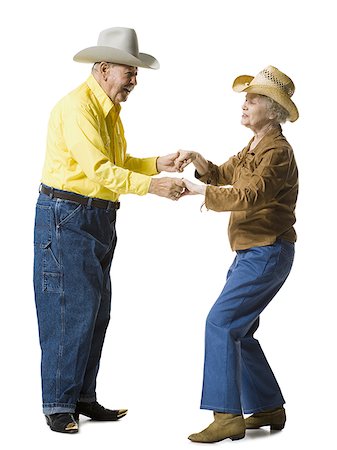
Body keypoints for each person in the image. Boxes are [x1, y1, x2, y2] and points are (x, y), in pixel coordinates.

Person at [33, 27, 185, 434]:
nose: (134, 81)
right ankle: (58, 405)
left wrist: (157, 164)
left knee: (95, 312)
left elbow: (117, 161)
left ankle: (82, 397)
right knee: (69, 310)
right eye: (128, 72)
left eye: (135, 74)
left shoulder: (108, 111)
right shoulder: (76, 109)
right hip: (68, 216)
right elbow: (99, 171)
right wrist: (152, 187)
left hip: (95, 216)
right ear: (102, 69)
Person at [176, 66, 299, 443]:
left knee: (220, 324)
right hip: (252, 253)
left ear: (273, 109)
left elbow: (250, 197)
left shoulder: (277, 152)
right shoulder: (254, 148)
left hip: (267, 251)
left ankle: (227, 415)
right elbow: (221, 173)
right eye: (246, 98)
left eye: (254, 99)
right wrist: (198, 161)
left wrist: (197, 192)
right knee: (239, 331)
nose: (245, 104)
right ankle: (268, 406)